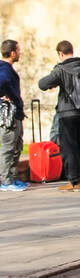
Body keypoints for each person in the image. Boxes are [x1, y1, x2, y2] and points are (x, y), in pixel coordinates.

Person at [38, 40, 80, 192]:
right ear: (72, 50)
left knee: (69, 147)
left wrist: (56, 82)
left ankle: (74, 182)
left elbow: (43, 84)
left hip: (67, 112)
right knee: (79, 144)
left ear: (60, 53)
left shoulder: (62, 68)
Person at [0, 38, 28, 193]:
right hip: (9, 116)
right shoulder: (4, 69)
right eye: (18, 50)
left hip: (16, 114)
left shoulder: (6, 68)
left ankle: (11, 177)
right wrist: (5, 96)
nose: (19, 53)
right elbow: (1, 82)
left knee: (16, 147)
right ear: (12, 53)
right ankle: (6, 181)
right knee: (9, 147)